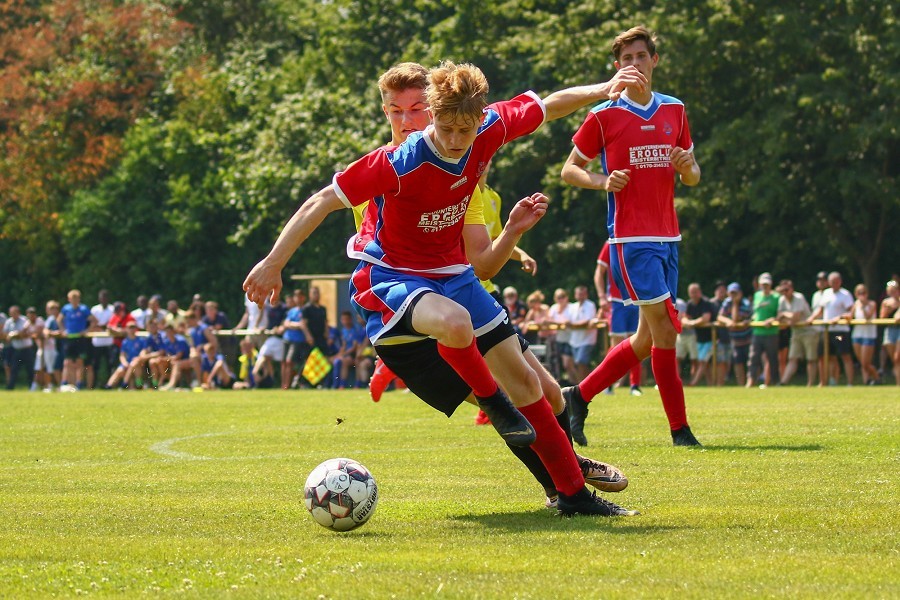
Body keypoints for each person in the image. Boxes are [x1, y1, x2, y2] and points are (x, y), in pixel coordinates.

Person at [245, 60, 649, 516]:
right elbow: (321, 200)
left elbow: (548, 105)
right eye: (445, 128)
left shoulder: (491, 127)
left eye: (465, 130)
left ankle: (575, 497)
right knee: (459, 329)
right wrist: (272, 262)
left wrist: (605, 87)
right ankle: (494, 405)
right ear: (433, 117)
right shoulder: (398, 162)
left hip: (453, 276)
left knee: (530, 382)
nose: (456, 141)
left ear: (481, 119)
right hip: (393, 278)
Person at [559, 26, 702, 446]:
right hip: (629, 240)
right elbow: (570, 169)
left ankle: (577, 397)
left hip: (668, 238)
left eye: (641, 56)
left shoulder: (674, 109)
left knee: (646, 338)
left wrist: (685, 164)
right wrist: (603, 180)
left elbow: (693, 176)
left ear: (654, 61)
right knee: (666, 330)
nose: (634, 65)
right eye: (626, 60)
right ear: (617, 68)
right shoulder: (603, 115)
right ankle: (680, 430)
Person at [596, 241, 643, 399]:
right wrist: (602, 297)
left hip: (636, 300)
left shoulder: (636, 241)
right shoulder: (610, 244)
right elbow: (599, 272)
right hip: (617, 302)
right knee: (616, 344)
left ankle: (635, 385)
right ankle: (607, 383)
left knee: (638, 343)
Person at [810, 271, 855, 385]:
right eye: (832, 282)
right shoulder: (826, 293)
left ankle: (849, 383)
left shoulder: (845, 294)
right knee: (824, 356)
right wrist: (811, 319)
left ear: (840, 282)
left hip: (840, 332)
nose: (834, 284)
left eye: (836, 282)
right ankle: (825, 381)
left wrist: (839, 318)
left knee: (845, 355)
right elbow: (820, 310)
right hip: (826, 331)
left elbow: (851, 312)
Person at [777, 279, 817, 386]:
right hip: (796, 332)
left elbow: (795, 318)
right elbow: (779, 318)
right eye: (783, 290)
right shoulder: (782, 300)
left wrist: (785, 314)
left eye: (787, 290)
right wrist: (787, 317)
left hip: (809, 332)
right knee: (792, 358)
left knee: (811, 359)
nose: (785, 292)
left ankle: (810, 384)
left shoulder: (799, 297)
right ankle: (783, 383)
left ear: (792, 289)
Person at [747, 272, 780, 388]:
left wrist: (772, 319)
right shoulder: (757, 296)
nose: (765, 286)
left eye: (767, 284)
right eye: (763, 284)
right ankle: (751, 381)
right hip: (757, 331)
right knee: (753, 358)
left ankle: (775, 382)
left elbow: (780, 314)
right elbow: (756, 312)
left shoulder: (776, 297)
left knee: (772, 358)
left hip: (771, 332)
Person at [59, 289, 95, 391]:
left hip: (80, 339)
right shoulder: (66, 309)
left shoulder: (84, 309)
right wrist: (63, 330)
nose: (74, 301)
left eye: (76, 299)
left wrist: (86, 331)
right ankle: (64, 383)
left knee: (80, 362)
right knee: (67, 362)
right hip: (69, 339)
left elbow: (94, 321)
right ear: (69, 299)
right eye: (72, 299)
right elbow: (59, 320)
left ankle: (79, 384)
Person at [717, 283, 752, 386]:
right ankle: (741, 385)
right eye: (731, 293)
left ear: (740, 293)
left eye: (735, 293)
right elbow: (720, 317)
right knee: (738, 362)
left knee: (750, 362)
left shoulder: (746, 304)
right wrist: (727, 321)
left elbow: (735, 319)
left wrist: (735, 304)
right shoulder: (727, 302)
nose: (733, 295)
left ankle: (749, 384)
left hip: (747, 338)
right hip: (735, 339)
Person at [683, 283, 714, 386]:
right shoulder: (690, 304)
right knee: (706, 364)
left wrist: (692, 323)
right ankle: (711, 384)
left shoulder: (705, 303)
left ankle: (693, 383)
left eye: (695, 292)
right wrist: (688, 322)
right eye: (692, 292)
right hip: (699, 339)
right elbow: (685, 318)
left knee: (702, 361)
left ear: (700, 292)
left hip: (711, 338)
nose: (694, 294)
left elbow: (706, 318)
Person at [567, 285, 598, 386]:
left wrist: (573, 325)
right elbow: (568, 321)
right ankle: (586, 383)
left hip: (587, 339)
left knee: (581, 361)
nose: (580, 296)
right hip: (575, 340)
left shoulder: (590, 305)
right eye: (578, 294)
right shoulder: (572, 306)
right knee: (576, 364)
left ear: (586, 295)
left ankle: (586, 383)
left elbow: (587, 321)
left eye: (582, 294)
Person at [850, 283, 879, 385]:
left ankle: (877, 378)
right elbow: (850, 316)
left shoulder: (872, 304)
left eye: (863, 292)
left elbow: (867, 317)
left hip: (869, 335)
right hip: (857, 335)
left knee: (865, 363)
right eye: (859, 293)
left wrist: (862, 306)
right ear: (855, 294)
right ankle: (866, 381)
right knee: (862, 362)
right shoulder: (855, 304)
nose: (861, 295)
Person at [89, 289, 117, 389]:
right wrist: (103, 326)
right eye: (102, 298)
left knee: (110, 364)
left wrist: (102, 326)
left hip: (109, 341)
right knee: (95, 365)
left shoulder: (112, 309)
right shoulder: (94, 309)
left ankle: (109, 385)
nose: (103, 300)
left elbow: (112, 323)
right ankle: (94, 384)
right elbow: (92, 324)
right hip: (97, 342)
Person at [3, 306, 36, 390]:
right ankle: (10, 388)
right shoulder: (9, 322)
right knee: (13, 369)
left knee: (29, 370)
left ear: (18, 313)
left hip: (27, 349)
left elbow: (28, 334)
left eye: (15, 313)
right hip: (16, 350)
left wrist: (16, 336)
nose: (13, 315)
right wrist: (16, 335)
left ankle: (31, 387)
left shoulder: (24, 320)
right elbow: (5, 335)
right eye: (11, 313)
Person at [708, 281, 731, 386]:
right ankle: (718, 383)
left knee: (727, 361)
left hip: (729, 336)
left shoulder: (729, 303)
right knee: (719, 362)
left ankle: (724, 382)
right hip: (716, 337)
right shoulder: (711, 303)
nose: (721, 292)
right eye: (719, 290)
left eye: (723, 290)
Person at [879, 280, 900, 385]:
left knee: (897, 356)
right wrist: (888, 310)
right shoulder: (886, 302)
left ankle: (898, 383)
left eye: (894, 290)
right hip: (890, 329)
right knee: (895, 360)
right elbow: (882, 318)